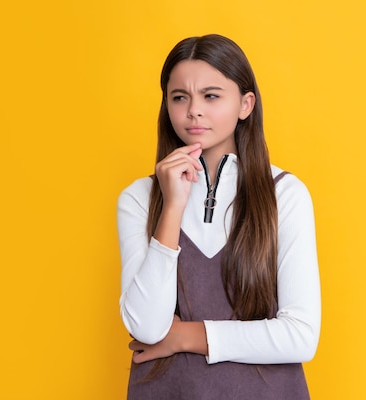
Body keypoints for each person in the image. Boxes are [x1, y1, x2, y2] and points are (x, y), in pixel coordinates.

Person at [117, 34, 321, 399]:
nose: (193, 110)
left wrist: (186, 336)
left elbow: (301, 336)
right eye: (180, 97)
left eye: (211, 96)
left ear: (245, 104)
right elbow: (147, 327)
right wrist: (172, 205)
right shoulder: (139, 198)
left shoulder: (285, 195)